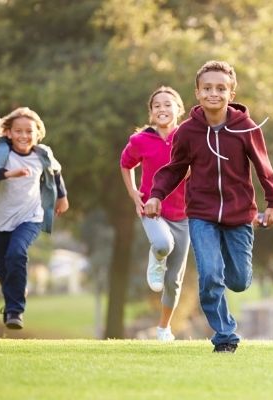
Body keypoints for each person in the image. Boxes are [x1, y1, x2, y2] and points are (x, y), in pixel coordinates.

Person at [144, 60, 273, 353]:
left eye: (221, 88)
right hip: (202, 214)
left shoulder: (246, 127)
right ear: (197, 92)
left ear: (232, 93)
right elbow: (174, 168)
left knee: (240, 280)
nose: (213, 93)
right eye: (207, 88)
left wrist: (272, 202)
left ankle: (229, 300)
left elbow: (262, 165)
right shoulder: (187, 131)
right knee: (209, 275)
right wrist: (156, 195)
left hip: (240, 214)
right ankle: (225, 334)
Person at [120, 86, 190, 341]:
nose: (162, 109)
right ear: (151, 113)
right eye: (157, 105)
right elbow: (126, 164)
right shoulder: (140, 141)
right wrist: (133, 194)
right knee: (162, 243)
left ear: (178, 110)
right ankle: (157, 255)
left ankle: (164, 328)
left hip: (183, 214)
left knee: (173, 280)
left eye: (167, 104)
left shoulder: (188, 136)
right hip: (152, 209)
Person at [0, 107, 69, 329]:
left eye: (29, 131)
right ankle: (18, 287)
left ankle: (15, 311)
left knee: (17, 252)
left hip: (31, 216)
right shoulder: (1, 153)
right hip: (0, 219)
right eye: (18, 131)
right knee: (2, 267)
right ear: (8, 132)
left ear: (37, 133)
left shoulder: (42, 154)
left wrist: (62, 197)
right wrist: (8, 174)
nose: (24, 136)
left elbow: (55, 172)